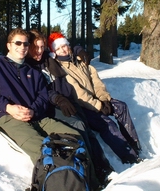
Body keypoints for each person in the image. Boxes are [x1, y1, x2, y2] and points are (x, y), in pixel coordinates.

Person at [0, 28, 101, 190]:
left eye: (26, 44)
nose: (22, 47)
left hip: (38, 117)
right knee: (44, 149)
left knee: (75, 137)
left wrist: (33, 111)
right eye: (18, 43)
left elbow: (43, 96)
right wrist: (9, 108)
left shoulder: (33, 71)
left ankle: (91, 183)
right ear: (9, 45)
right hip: (8, 117)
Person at [25, 30, 114, 186]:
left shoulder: (45, 58)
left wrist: (79, 49)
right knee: (77, 126)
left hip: (66, 99)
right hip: (50, 106)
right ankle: (91, 174)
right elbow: (41, 90)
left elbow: (65, 48)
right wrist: (58, 99)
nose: (39, 51)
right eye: (35, 48)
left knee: (85, 126)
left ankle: (103, 167)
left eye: (41, 47)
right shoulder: (30, 66)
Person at [47, 32, 142, 164]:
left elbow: (96, 80)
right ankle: (129, 157)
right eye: (58, 48)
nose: (63, 50)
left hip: (96, 99)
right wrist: (98, 106)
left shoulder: (80, 60)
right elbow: (78, 93)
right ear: (54, 52)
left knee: (121, 107)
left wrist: (103, 98)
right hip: (83, 106)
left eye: (64, 46)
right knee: (107, 124)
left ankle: (134, 144)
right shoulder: (62, 69)